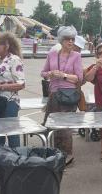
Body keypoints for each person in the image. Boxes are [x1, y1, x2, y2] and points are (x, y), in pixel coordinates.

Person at [41, 26, 83, 166]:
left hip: (68, 95)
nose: (70, 42)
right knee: (51, 124)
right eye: (67, 39)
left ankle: (67, 155)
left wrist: (64, 76)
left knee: (65, 127)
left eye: (72, 39)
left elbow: (79, 78)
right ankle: (54, 153)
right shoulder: (52, 54)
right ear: (61, 40)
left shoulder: (76, 56)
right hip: (54, 93)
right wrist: (51, 74)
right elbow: (43, 73)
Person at [0, 32, 25, 148]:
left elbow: (21, 84)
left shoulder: (14, 60)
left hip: (9, 102)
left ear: (7, 45)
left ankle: (16, 162)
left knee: (12, 134)